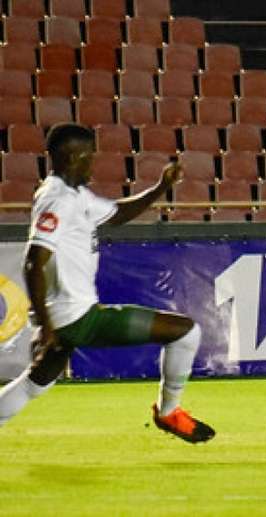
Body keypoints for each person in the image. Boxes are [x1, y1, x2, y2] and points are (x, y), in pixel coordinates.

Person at [0, 123, 215, 443]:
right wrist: (45, 326)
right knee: (186, 332)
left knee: (37, 382)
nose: (93, 162)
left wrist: (160, 187)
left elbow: (116, 214)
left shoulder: (75, 195)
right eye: (89, 156)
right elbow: (34, 260)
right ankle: (169, 412)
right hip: (76, 318)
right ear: (72, 157)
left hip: (68, 315)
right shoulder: (58, 200)